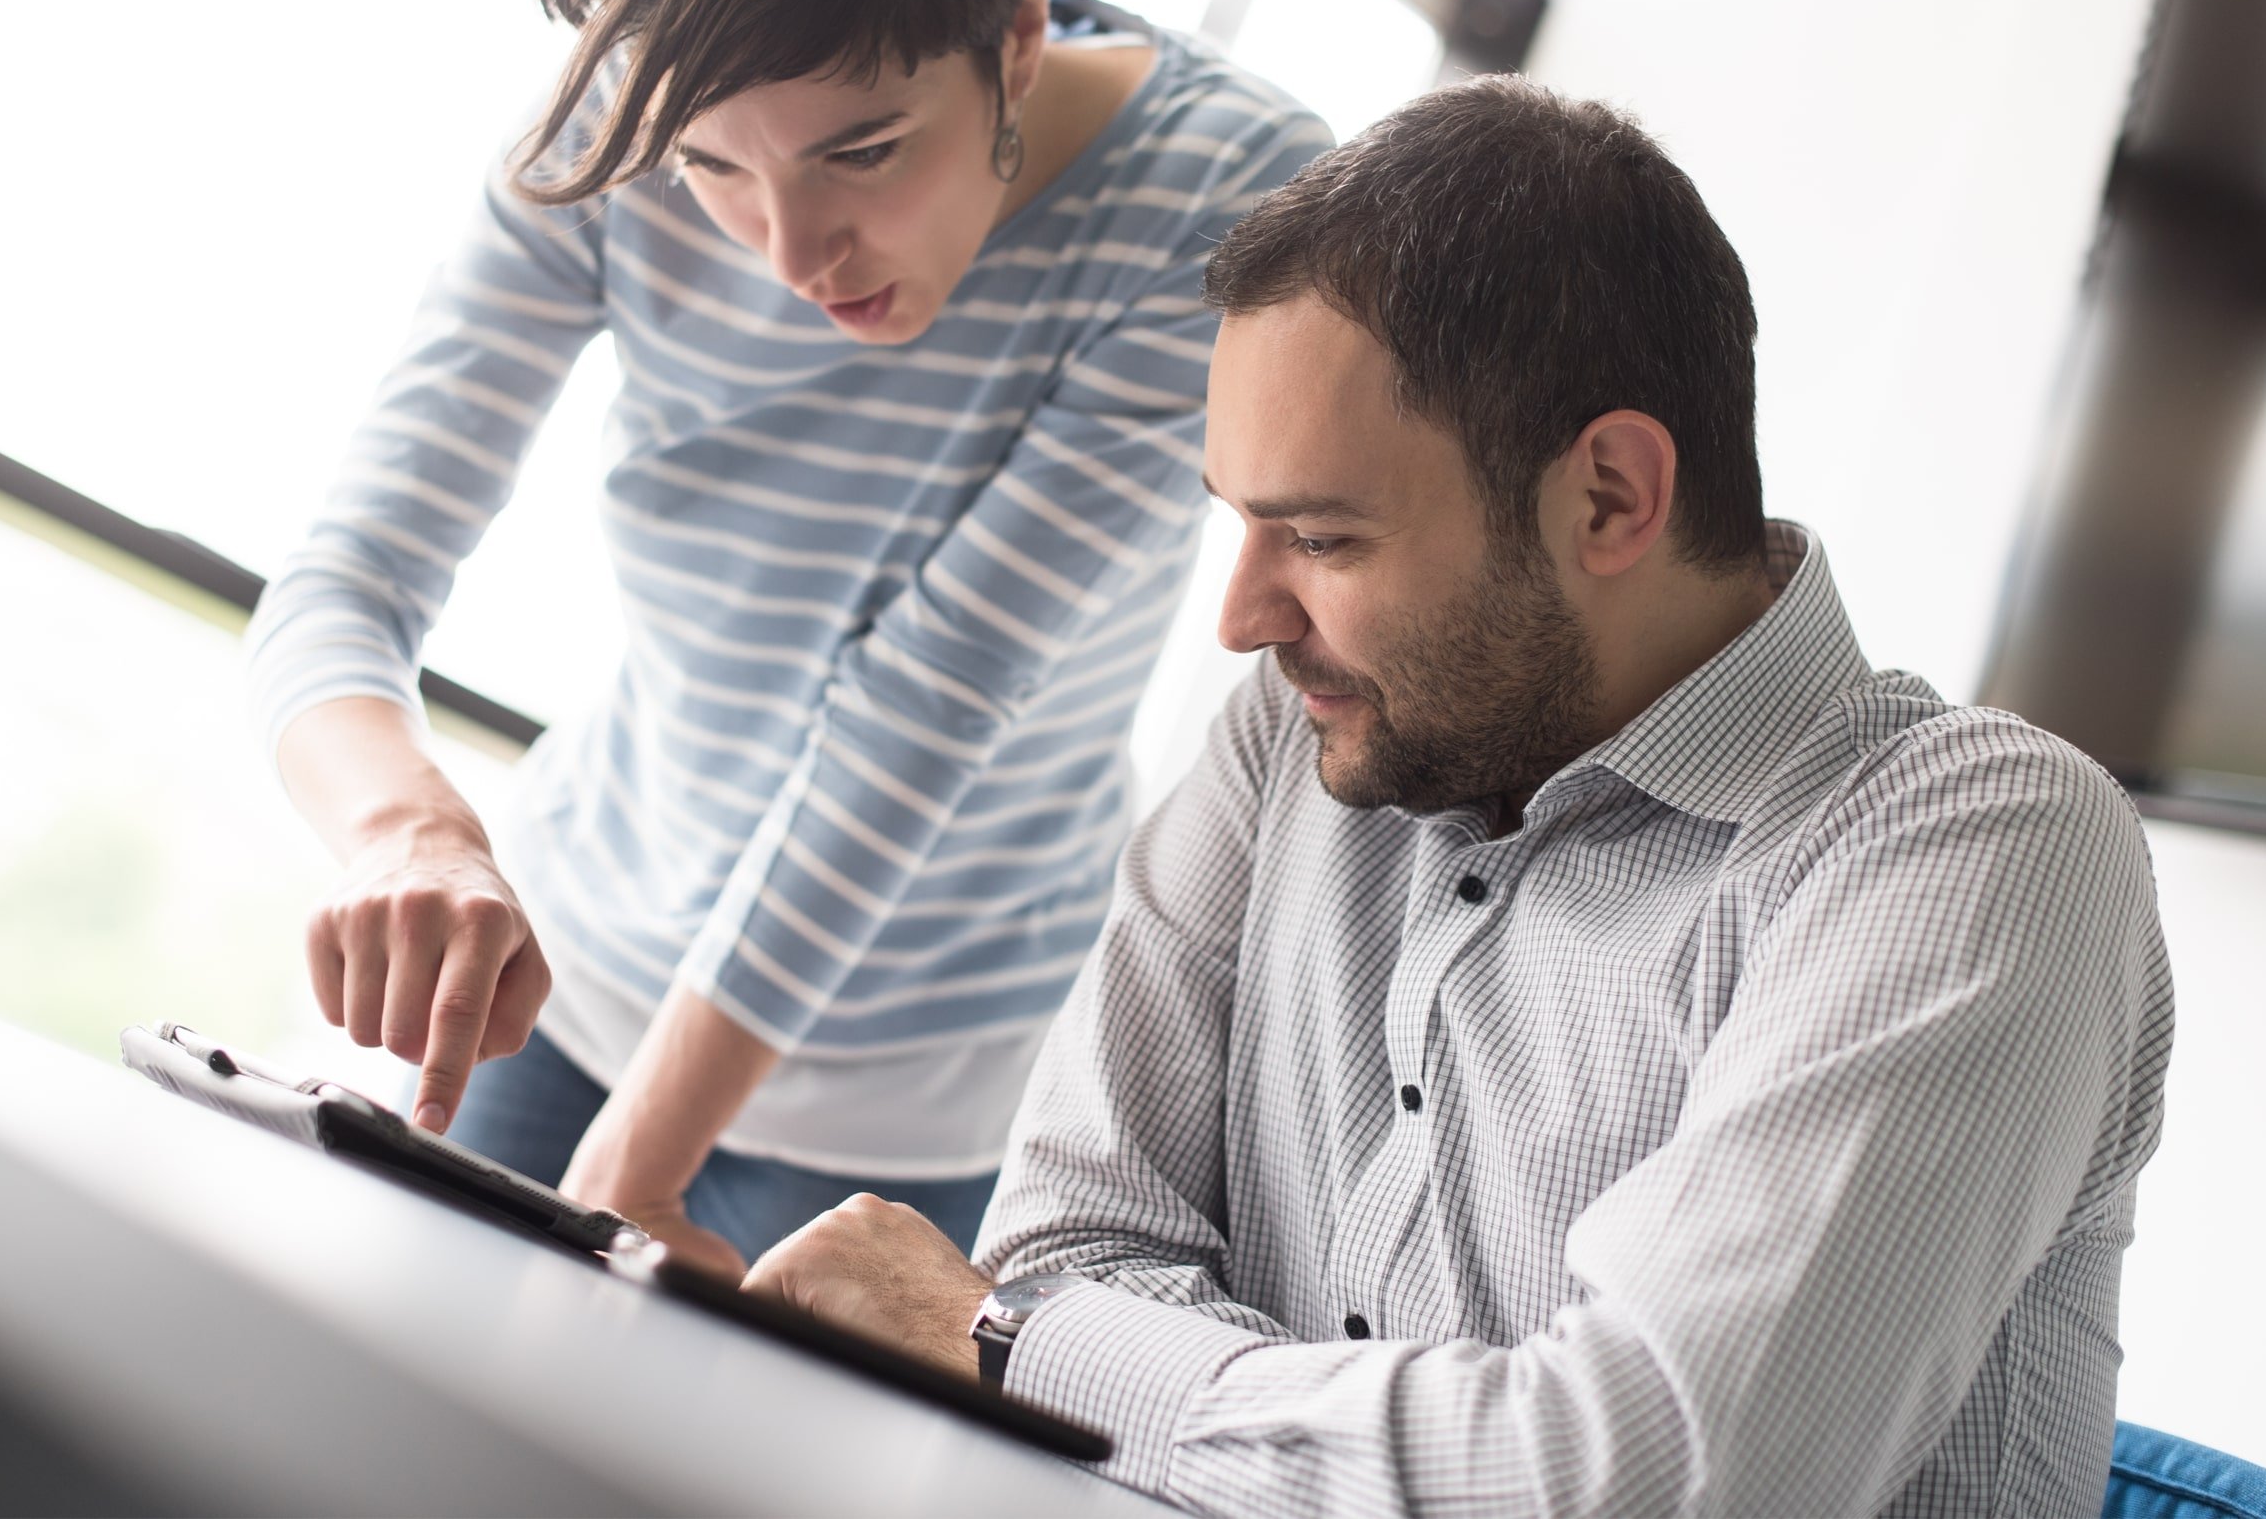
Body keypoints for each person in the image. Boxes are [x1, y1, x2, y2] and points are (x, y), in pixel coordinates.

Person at [740, 75, 2177, 1518]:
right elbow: (1068, 1245)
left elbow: (1638, 1483)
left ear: (1610, 495)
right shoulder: (1292, 735)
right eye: (1240, 525)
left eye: (1320, 534)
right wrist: (1408, 1444)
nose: (1241, 617)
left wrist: (1027, 1351)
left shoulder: (1977, 846)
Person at [243, 0, 1329, 1274]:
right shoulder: (618, 112)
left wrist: (646, 1151)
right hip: (572, 969)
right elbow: (350, 569)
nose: (789, 250)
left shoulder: (1222, 194)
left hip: (922, 1098)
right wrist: (408, 825)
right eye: (714, 168)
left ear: (1014, 19)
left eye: (863, 152)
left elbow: (927, 705)